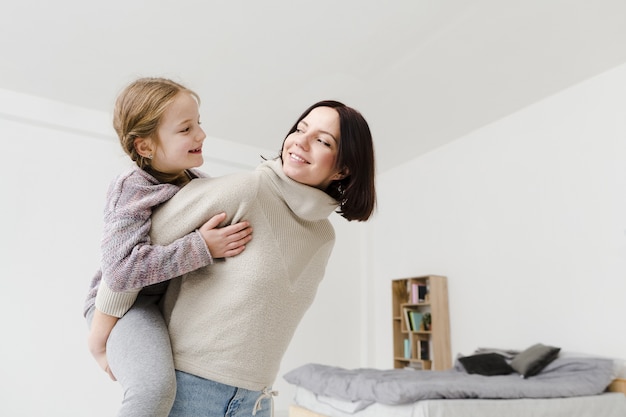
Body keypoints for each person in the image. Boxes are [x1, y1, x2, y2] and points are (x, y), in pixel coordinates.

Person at [142, 99, 377, 417]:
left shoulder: (324, 236)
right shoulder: (244, 189)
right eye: (300, 128)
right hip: (189, 391)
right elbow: (132, 252)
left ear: (343, 169)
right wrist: (103, 326)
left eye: (322, 140)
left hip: (257, 400)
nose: (300, 141)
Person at [83, 77, 253, 417]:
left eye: (199, 124)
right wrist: (201, 247)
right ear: (145, 147)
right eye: (186, 128)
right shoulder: (132, 187)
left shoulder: (200, 186)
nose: (201, 135)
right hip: (132, 307)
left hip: (178, 302)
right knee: (154, 391)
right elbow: (121, 271)